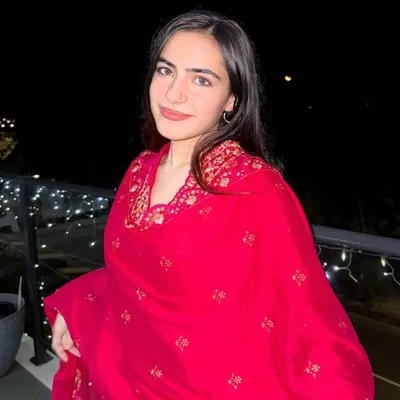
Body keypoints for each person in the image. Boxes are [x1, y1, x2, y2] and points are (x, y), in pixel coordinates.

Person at [45, 9, 375, 400]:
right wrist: (79, 307)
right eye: (166, 71)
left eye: (201, 79)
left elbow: (304, 315)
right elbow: (137, 282)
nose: (174, 93)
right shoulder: (139, 172)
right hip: (129, 377)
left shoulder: (254, 189)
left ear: (232, 99)